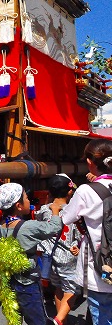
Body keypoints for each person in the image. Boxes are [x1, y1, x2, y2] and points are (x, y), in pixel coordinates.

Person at [0, 183, 62, 325]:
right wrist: (55, 211)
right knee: (37, 320)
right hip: (28, 284)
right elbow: (54, 228)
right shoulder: (28, 227)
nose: (29, 201)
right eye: (26, 198)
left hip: (7, 283)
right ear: (19, 206)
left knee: (14, 318)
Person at [62, 139, 112, 325]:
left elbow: (66, 218)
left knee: (101, 313)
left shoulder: (85, 191)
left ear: (90, 162)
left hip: (101, 263)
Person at [35, 174, 81, 325]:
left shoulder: (43, 210)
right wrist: (77, 245)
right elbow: (79, 233)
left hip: (50, 258)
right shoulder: (73, 211)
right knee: (73, 290)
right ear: (69, 192)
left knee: (59, 288)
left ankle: (63, 322)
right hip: (68, 257)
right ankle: (59, 319)